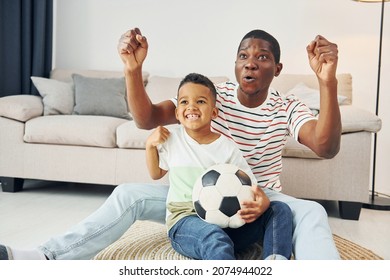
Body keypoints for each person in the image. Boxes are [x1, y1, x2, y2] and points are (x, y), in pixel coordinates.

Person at [0, 27, 341, 260]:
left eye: (262, 57)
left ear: (277, 68)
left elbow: (326, 147)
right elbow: (148, 118)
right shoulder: (210, 96)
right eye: (242, 56)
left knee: (311, 210)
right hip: (191, 194)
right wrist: (133, 69)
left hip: (259, 198)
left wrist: (327, 81)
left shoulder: (288, 107)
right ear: (235, 64)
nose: (251, 61)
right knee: (127, 193)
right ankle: (45, 255)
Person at [146, 72, 292, 260]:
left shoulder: (227, 147)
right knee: (214, 237)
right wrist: (150, 145)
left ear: (214, 112)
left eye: (200, 101)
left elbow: (251, 185)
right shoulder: (172, 140)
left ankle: (276, 262)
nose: (191, 106)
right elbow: (156, 173)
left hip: (228, 225)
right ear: (177, 113)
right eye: (184, 102)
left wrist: (262, 202)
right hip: (185, 222)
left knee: (279, 209)